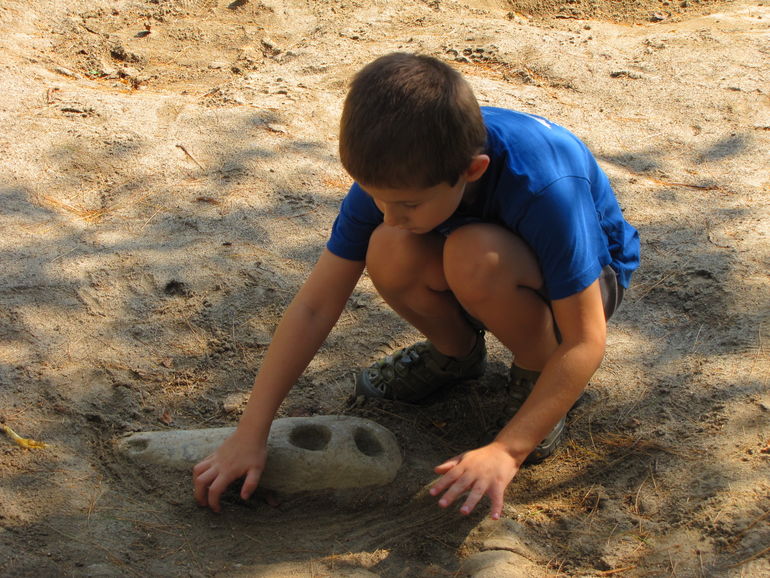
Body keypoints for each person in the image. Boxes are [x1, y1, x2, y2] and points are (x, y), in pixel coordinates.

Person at [193, 52, 640, 520]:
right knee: (388, 245)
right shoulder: (398, 172)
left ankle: (534, 372)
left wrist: (508, 449)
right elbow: (314, 306)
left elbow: (587, 338)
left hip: (583, 283)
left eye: (405, 203)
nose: (387, 212)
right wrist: (251, 430)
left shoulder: (546, 186)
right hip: (482, 261)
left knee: (474, 253)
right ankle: (455, 356)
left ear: (473, 171)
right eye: (375, 197)